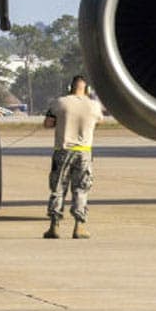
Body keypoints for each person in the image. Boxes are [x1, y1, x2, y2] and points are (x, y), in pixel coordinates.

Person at [42, 74, 104, 239]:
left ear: (70, 88)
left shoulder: (60, 102)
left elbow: (47, 123)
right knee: (81, 189)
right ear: (87, 89)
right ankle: (79, 226)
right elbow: (99, 122)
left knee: (58, 188)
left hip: (63, 150)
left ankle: (54, 226)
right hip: (84, 152)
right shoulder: (94, 106)